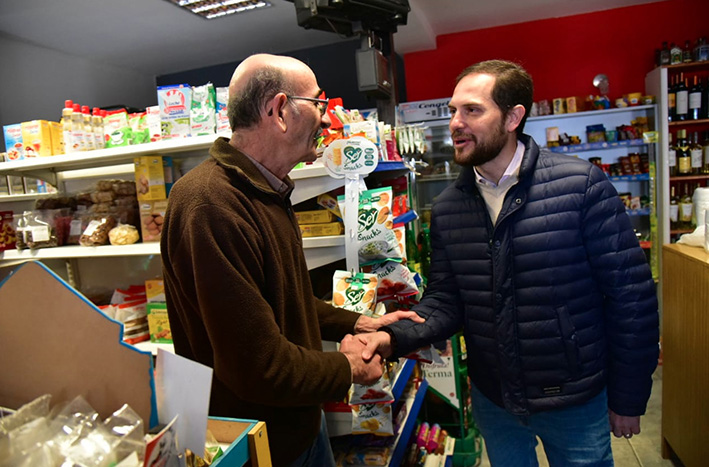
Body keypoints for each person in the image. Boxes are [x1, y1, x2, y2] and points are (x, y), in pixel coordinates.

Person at [361, 60, 660, 466]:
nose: (455, 123)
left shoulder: (581, 186)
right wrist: (392, 337)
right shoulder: (449, 207)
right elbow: (446, 301)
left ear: (513, 117)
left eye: (472, 110)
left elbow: (632, 299)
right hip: (494, 400)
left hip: (573, 399)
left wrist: (629, 395)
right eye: (452, 111)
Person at [160, 53, 423, 467]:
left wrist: (357, 322)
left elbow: (285, 300)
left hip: (299, 421)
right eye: (320, 105)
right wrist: (346, 366)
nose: (327, 119)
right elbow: (257, 367)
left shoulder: (268, 189)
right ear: (279, 111)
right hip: (261, 446)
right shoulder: (210, 205)